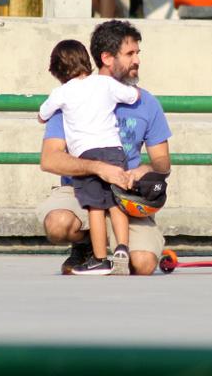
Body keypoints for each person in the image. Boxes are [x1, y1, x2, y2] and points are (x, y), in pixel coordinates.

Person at [37, 20, 172, 275]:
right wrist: (98, 168)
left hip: (125, 193)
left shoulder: (148, 103)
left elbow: (163, 162)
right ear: (107, 58)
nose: (137, 60)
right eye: (130, 54)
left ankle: (115, 247)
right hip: (79, 188)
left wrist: (144, 169)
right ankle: (87, 245)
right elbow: (50, 160)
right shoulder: (72, 97)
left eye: (138, 53)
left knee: (143, 265)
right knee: (58, 224)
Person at [38, 39, 140, 276]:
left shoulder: (62, 92)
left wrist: (43, 115)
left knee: (95, 207)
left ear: (58, 71)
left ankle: (100, 258)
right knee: (116, 203)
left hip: (87, 153)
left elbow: (42, 114)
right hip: (115, 151)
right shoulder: (104, 83)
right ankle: (122, 250)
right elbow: (132, 96)